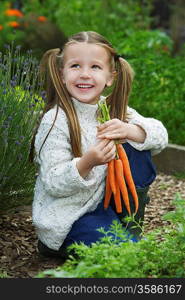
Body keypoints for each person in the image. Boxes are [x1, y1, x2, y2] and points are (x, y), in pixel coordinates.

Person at [29, 31, 168, 258]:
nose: (84, 74)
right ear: (62, 74)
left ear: (110, 77)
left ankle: (130, 224)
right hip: (69, 217)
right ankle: (53, 244)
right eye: (75, 66)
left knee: (137, 144)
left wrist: (130, 130)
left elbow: (160, 135)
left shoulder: (113, 110)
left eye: (95, 67)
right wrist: (86, 163)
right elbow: (53, 182)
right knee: (127, 255)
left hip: (106, 208)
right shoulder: (56, 120)